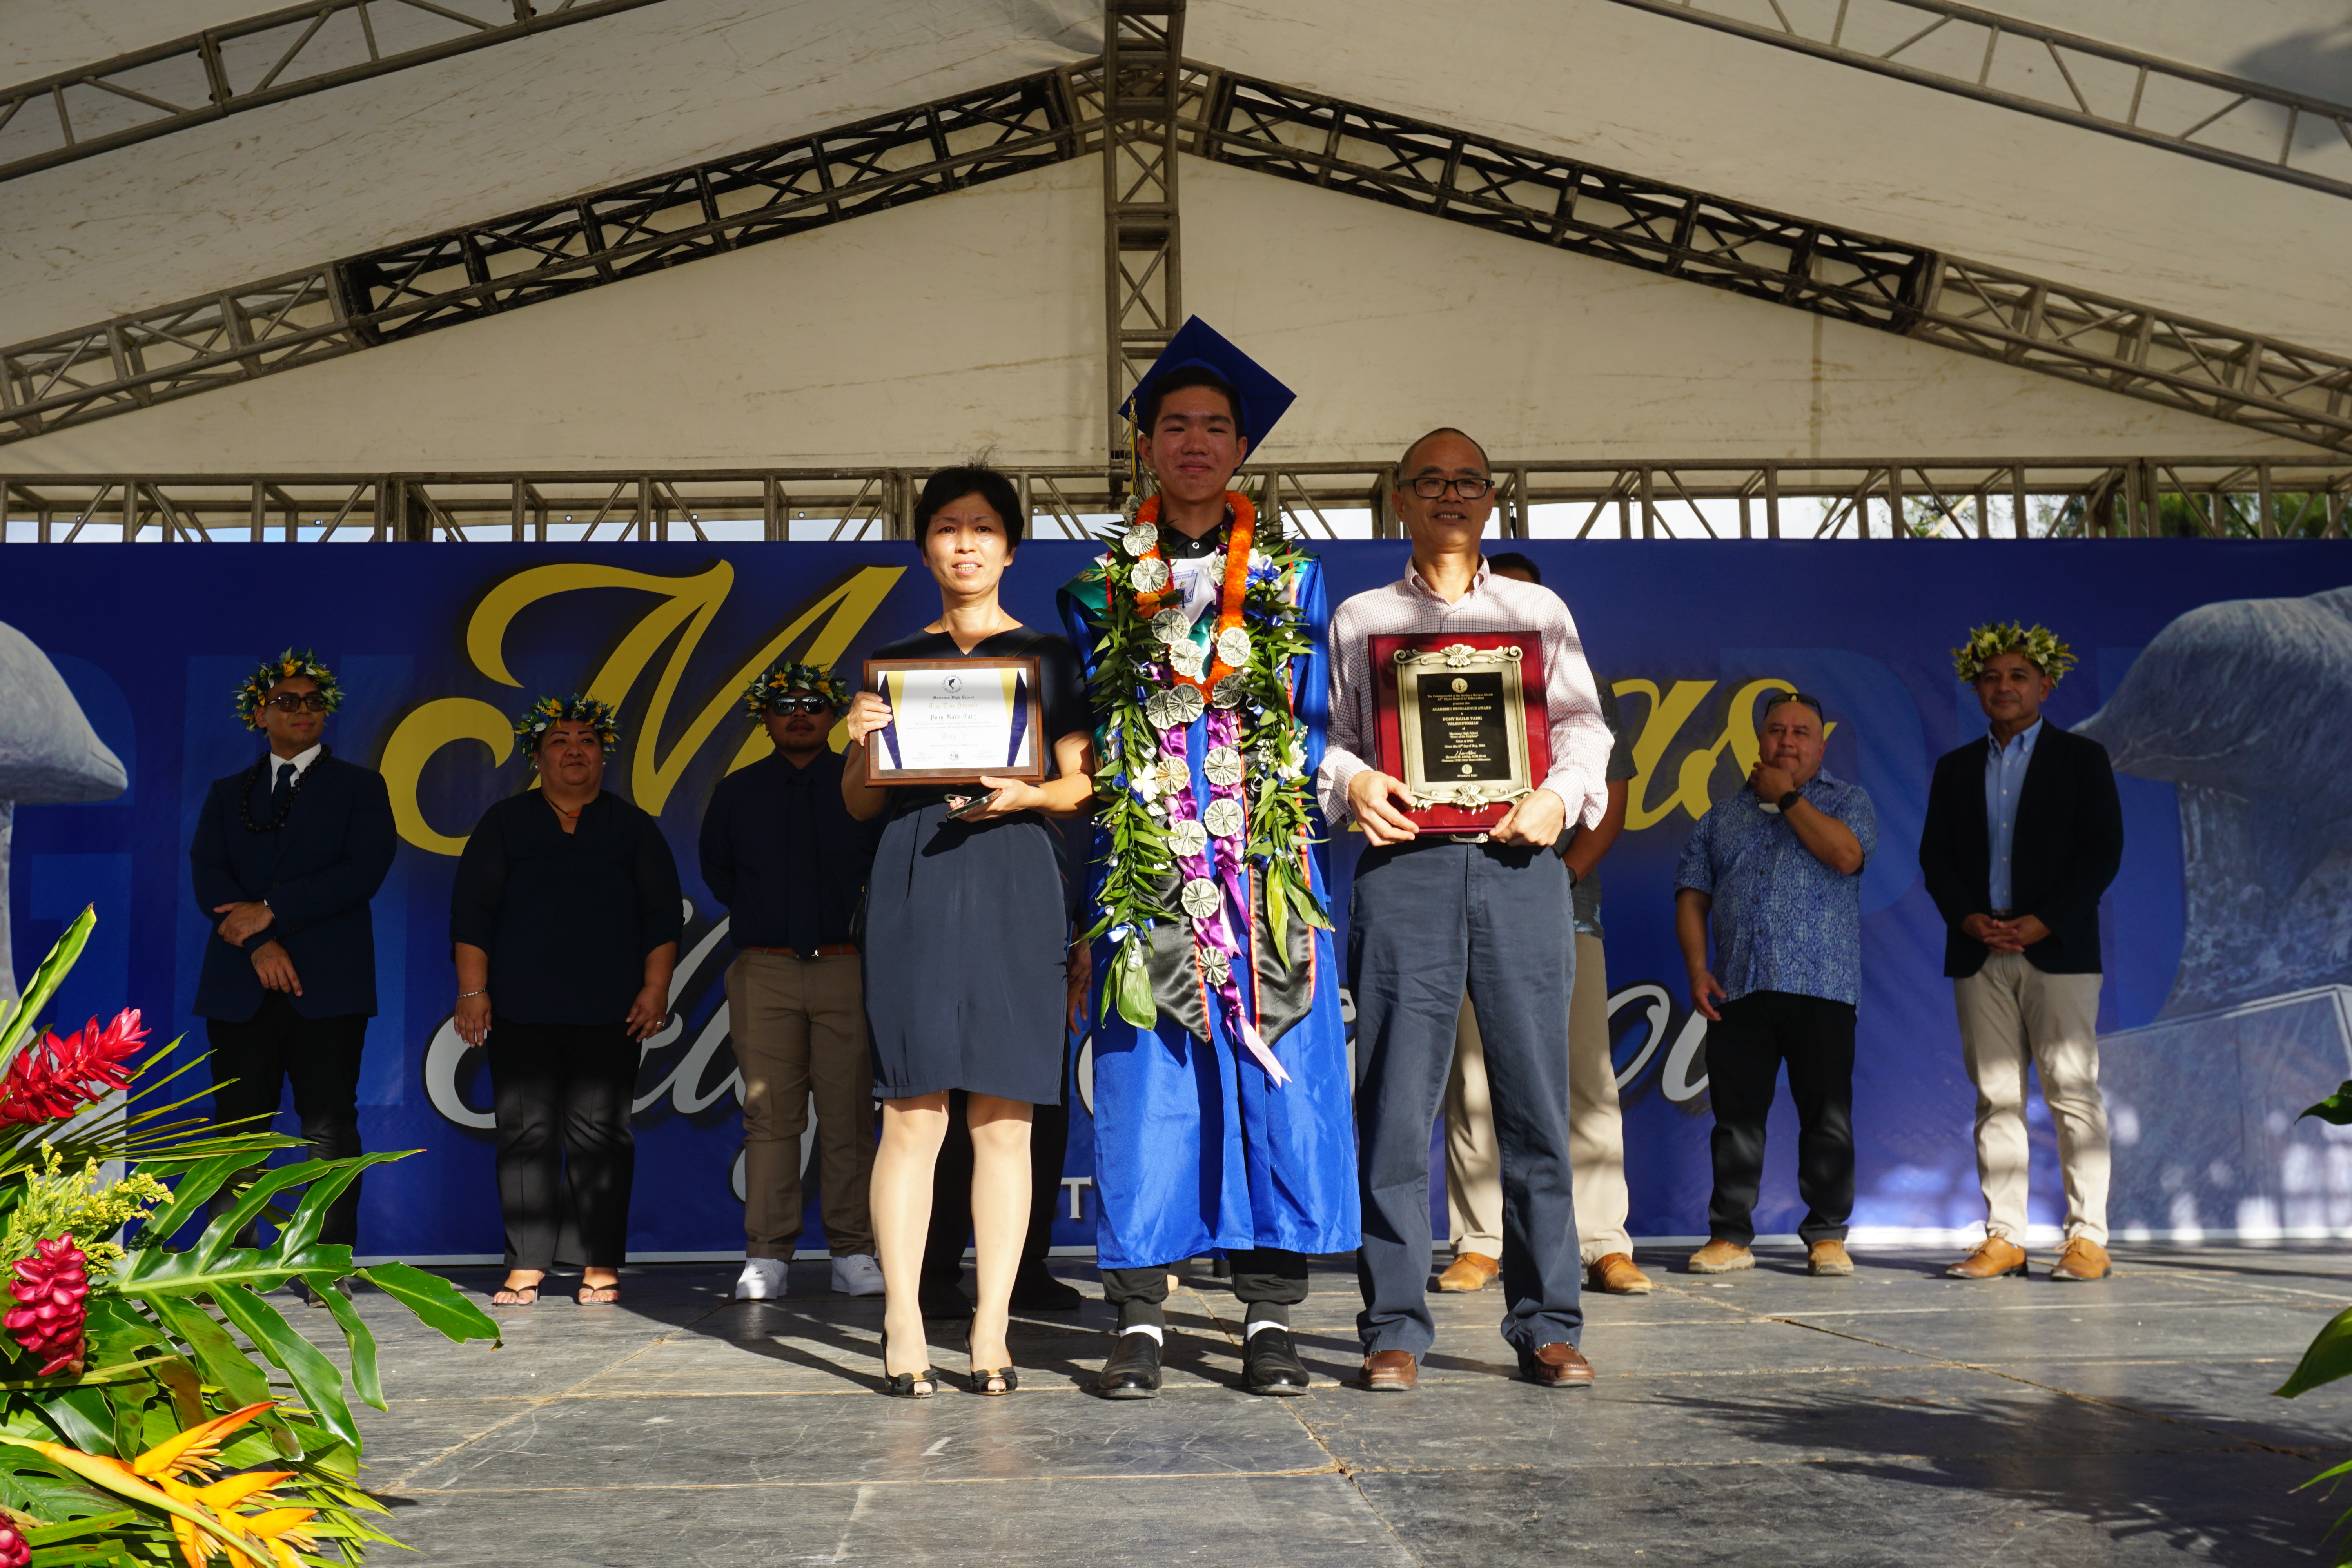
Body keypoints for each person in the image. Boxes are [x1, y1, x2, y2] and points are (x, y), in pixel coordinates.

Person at [1058, 319, 1357, 1399]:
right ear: (1145, 445)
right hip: (1144, 866)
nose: (1194, 441)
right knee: (1149, 1079)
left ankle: (1270, 1319)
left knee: (1273, 1071)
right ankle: (1140, 1317)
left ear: (1242, 449)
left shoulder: (1292, 583)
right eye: (1174, 423)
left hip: (1264, 867)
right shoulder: (1096, 591)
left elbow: (1318, 729)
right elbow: (1083, 740)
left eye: (1215, 426)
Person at [1327, 430, 1614, 1392]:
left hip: (1520, 863)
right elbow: (1328, 737)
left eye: (1468, 481)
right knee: (1398, 1106)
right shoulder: (1362, 617)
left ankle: (1547, 1322)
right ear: (1398, 500)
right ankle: (1394, 1326)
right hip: (1403, 868)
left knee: (1536, 1103)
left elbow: (1582, 728)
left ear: (1492, 500)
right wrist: (1354, 775)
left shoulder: (1536, 609)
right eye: (1430, 481)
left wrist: (1560, 799)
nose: (1450, 494)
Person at [842, 463, 1095, 1398]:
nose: (965, 543)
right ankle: (903, 1318)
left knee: (1004, 1116)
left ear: (1009, 547)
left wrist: (1028, 792)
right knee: (913, 1109)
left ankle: (992, 1328)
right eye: (948, 527)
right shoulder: (895, 661)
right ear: (925, 547)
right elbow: (861, 800)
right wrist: (861, 736)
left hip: (1016, 873)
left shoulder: (1051, 657)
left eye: (982, 527)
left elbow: (1082, 783)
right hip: (914, 872)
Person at [1439, 553, 1651, 1300]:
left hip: (1565, 909)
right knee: (1471, 1078)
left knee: (1585, 1075)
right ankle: (1481, 1241)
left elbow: (1609, 803)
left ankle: (1603, 1243)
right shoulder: (1443, 673)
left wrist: (1552, 880)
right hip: (1459, 903)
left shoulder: (1587, 689)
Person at [450, 696, 682, 1308]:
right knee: (525, 1135)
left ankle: (598, 1262)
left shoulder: (632, 827)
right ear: (538, 755)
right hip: (519, 1010)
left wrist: (656, 988)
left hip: (612, 1012)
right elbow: (472, 913)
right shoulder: (505, 823)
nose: (574, 750)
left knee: (601, 1137)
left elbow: (662, 917)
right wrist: (472, 992)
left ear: (604, 754)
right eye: (560, 740)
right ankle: (526, 1264)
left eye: (586, 739)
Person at [1920, 622, 2123, 1283]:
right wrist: (1969, 918)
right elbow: (1937, 858)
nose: (2003, 688)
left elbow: (2102, 853)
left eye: (2017, 677)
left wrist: (2044, 921)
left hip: (2058, 950)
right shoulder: (1954, 769)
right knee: (1995, 1098)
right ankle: (2005, 1237)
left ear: (2045, 685)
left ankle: (2088, 1238)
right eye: (1991, 678)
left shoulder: (2081, 759)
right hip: (1980, 951)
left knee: (2072, 1092)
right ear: (1976, 687)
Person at [190, 651, 395, 1302]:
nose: (302, 712)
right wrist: (260, 944)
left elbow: (362, 872)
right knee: (237, 1128)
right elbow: (210, 879)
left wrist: (272, 912)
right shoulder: (228, 793)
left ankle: (324, 1261)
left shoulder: (362, 788)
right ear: (260, 714)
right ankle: (229, 1263)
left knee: (328, 1125)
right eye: (287, 701)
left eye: (313, 702)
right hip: (239, 982)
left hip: (326, 986)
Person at [699, 658, 883, 1301]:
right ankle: (767, 1254)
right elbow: (719, 874)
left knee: (849, 1117)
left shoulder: (862, 781)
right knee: (769, 1116)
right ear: (766, 719)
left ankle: (854, 1250)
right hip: (767, 970)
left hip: (847, 966)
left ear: (833, 715)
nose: (800, 714)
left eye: (812, 703)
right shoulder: (737, 791)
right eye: (785, 705)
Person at [1675, 692, 1876, 1278]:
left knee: (1827, 1118)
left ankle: (1828, 1236)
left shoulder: (1848, 802)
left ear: (1821, 744)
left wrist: (1786, 797)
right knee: (1736, 1120)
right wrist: (1696, 967)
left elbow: (1845, 856)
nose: (1787, 741)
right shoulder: (1719, 817)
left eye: (1802, 732)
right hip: (1739, 988)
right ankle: (1731, 1237)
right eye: (1776, 730)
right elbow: (1692, 895)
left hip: (1823, 988)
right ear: (1759, 740)